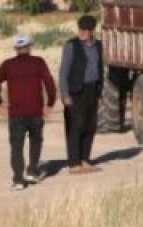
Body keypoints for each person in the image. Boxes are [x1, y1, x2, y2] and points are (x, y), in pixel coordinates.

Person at [0, 34, 58, 190]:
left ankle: (18, 180)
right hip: (35, 111)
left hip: (16, 113)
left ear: (15, 49)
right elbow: (49, 83)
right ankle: (32, 171)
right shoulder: (38, 62)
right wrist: (49, 103)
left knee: (16, 146)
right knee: (36, 141)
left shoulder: (7, 65)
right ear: (29, 47)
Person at [59, 15, 105, 174]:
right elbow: (63, 72)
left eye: (86, 30)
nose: (83, 33)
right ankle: (73, 163)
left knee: (90, 126)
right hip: (75, 91)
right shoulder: (71, 46)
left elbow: (100, 69)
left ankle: (85, 160)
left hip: (92, 90)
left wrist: (100, 93)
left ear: (92, 31)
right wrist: (65, 94)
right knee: (75, 126)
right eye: (81, 30)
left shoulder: (98, 46)